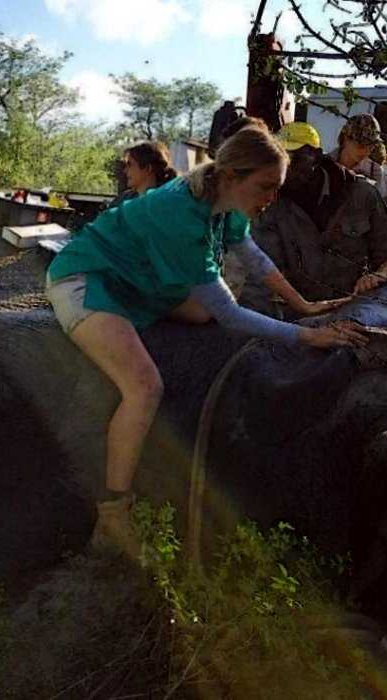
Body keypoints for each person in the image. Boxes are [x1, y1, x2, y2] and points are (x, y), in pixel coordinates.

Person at [46, 127, 366, 559]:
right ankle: (113, 514)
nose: (272, 197)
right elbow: (232, 314)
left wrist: (304, 304)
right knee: (143, 387)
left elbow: (254, 257)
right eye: (266, 186)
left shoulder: (225, 200)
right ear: (232, 175)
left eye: (277, 187)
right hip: (90, 280)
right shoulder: (181, 212)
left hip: (141, 282)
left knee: (202, 313)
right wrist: (307, 333)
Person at [242, 121, 387, 317]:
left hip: (357, 311)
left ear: (317, 156)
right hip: (302, 316)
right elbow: (261, 273)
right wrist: (247, 323)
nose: (285, 167)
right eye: (279, 158)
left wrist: (376, 276)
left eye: (294, 157)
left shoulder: (362, 195)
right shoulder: (272, 207)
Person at [327, 113, 387, 199]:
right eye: (361, 145)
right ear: (346, 138)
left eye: (371, 146)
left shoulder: (375, 171)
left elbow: (378, 207)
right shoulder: (326, 162)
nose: (366, 151)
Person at [110, 141, 177, 207]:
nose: (125, 170)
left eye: (130, 165)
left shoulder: (166, 203)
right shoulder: (122, 200)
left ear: (147, 168)